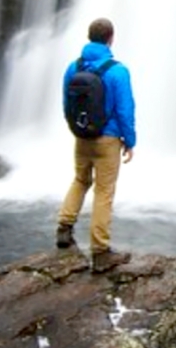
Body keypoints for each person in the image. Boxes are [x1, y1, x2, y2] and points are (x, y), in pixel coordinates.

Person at [56, 18, 136, 271]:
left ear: (90, 37)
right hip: (108, 139)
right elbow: (125, 110)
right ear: (111, 38)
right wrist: (130, 141)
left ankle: (64, 229)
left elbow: (66, 104)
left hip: (82, 135)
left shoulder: (73, 67)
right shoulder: (117, 71)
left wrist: (75, 128)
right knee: (104, 191)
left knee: (80, 180)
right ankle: (100, 252)